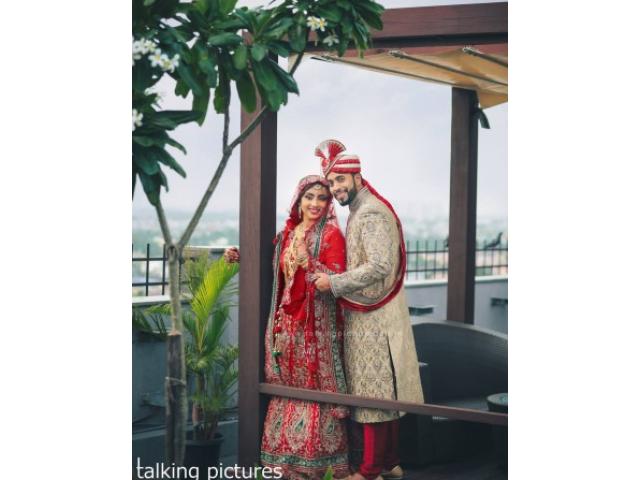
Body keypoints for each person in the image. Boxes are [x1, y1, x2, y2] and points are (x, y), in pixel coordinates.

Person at [312, 140, 425, 480]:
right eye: (331, 182)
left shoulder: (370, 212)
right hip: (374, 315)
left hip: (374, 319)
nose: (335, 188)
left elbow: (379, 266)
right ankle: (389, 463)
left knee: (372, 396)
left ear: (357, 177)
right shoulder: (362, 209)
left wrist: (334, 283)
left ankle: (369, 471)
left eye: (340, 180)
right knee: (382, 395)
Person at [225, 175, 350, 480]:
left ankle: (317, 462)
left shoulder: (332, 235)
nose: (315, 204)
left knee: (311, 383)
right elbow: (271, 269)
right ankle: (280, 459)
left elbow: (338, 279)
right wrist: (240, 257)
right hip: (285, 323)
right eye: (310, 197)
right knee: (286, 380)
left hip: (315, 326)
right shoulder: (286, 235)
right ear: (299, 201)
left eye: (322, 198)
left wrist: (311, 264)